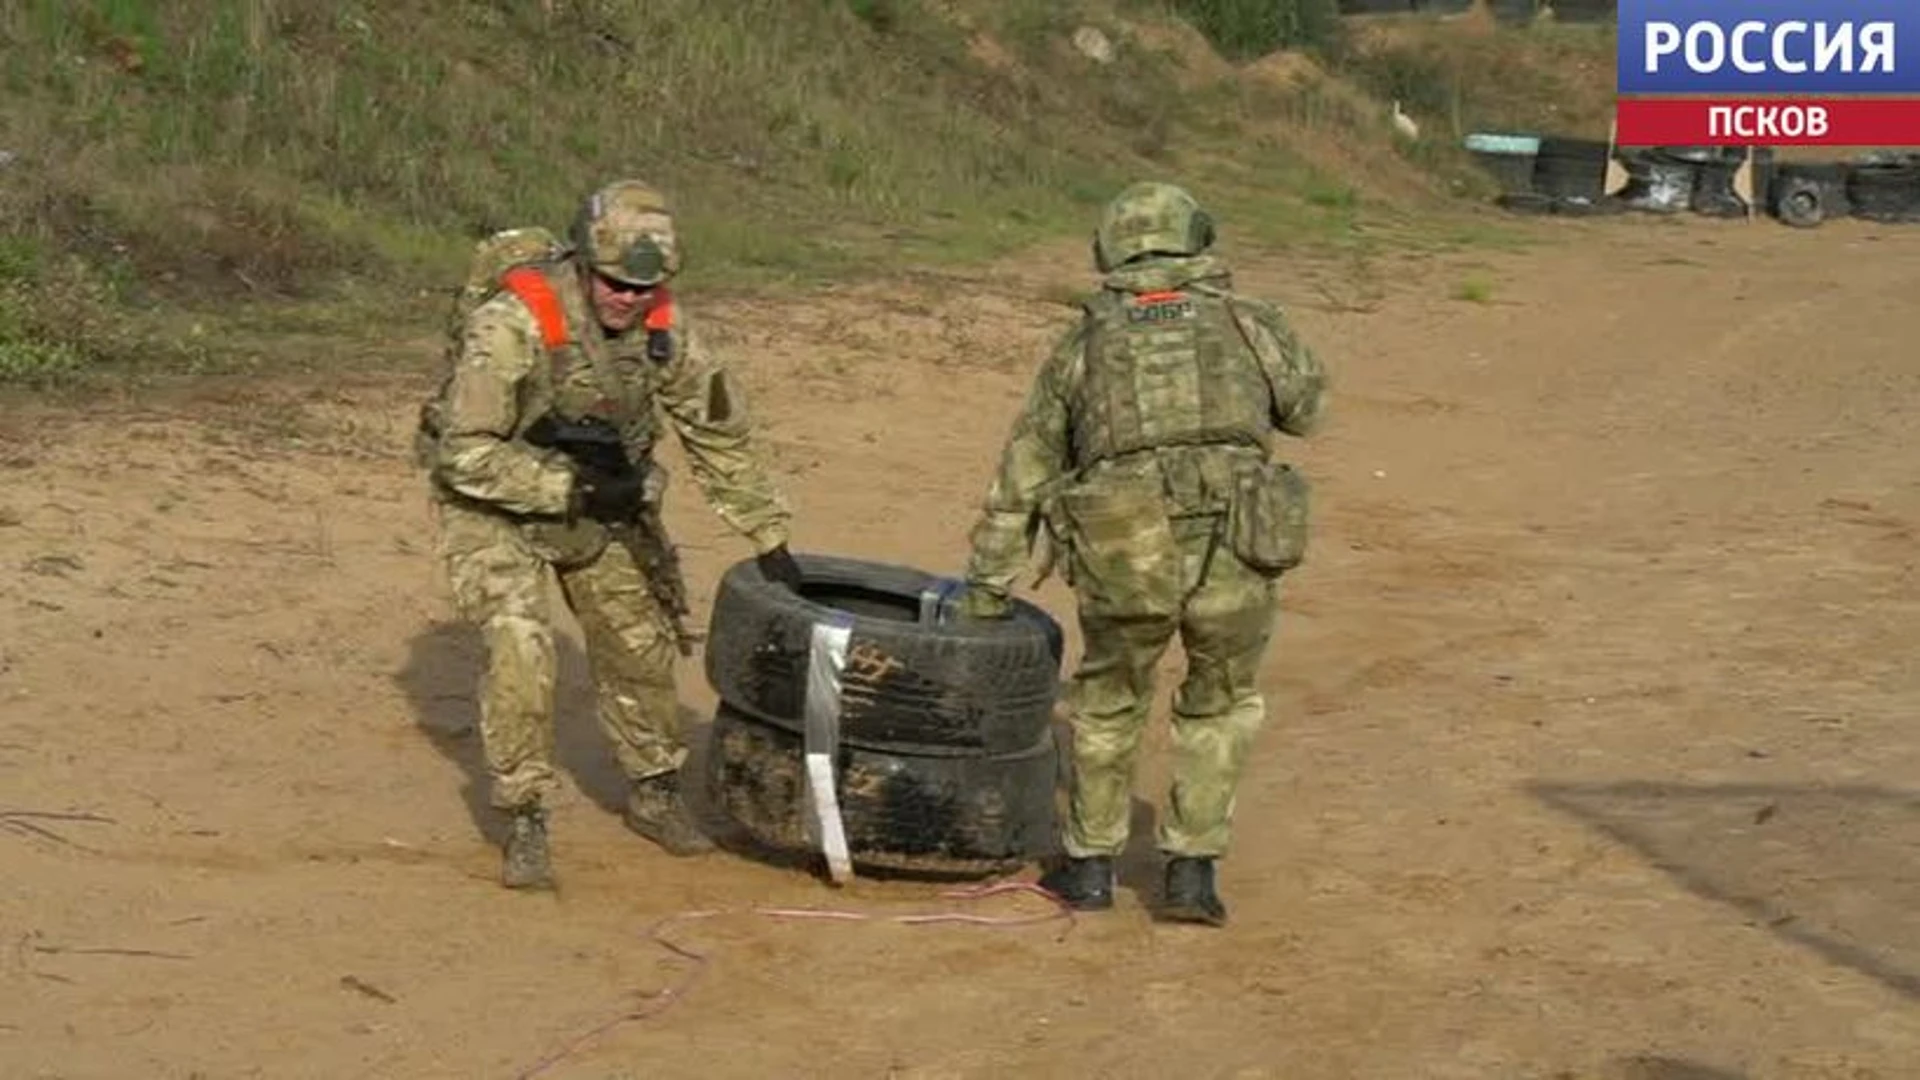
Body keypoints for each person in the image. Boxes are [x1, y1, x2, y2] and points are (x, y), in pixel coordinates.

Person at [955, 181, 1328, 926]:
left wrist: (988, 583)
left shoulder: (1086, 340)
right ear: (1198, 237)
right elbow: (1306, 411)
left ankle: (1090, 869)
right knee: (1220, 700)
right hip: (1239, 536)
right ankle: (1192, 874)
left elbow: (1027, 461)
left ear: (1109, 249)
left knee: (1107, 699)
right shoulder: (1250, 321)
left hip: (1125, 540)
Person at [418, 178, 803, 889]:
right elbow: (462, 453)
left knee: (642, 642)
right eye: (614, 284)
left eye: (641, 289)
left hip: (602, 501)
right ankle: (525, 812)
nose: (627, 299)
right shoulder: (514, 325)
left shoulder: (664, 329)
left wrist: (766, 533)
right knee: (521, 648)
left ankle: (655, 788)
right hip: (495, 504)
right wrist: (570, 486)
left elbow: (718, 429)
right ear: (584, 265)